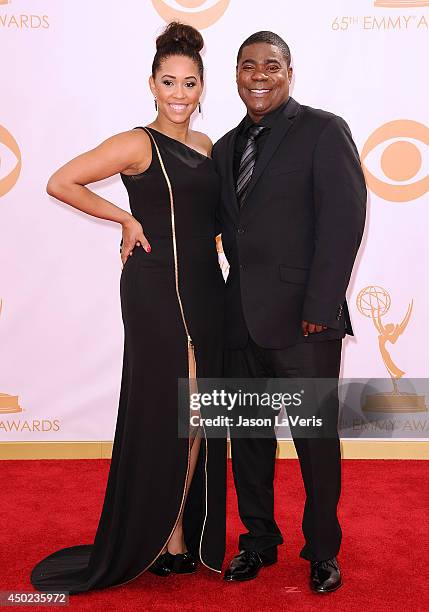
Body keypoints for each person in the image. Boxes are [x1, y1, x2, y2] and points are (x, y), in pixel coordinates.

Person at [30, 22, 226, 594]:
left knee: (199, 408)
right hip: (155, 286)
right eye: (169, 82)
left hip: (204, 286)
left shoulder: (206, 146)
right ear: (152, 84)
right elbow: (60, 181)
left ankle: (175, 532)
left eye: (189, 83)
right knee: (170, 404)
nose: (180, 94)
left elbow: (203, 221)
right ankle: (164, 537)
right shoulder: (138, 142)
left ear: (202, 87)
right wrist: (124, 218)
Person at [212, 31, 366, 593]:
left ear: (289, 71)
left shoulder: (324, 130)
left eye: (270, 65)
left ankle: (323, 549)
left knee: (315, 441)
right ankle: (258, 542)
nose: (259, 75)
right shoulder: (224, 146)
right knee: (248, 438)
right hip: (239, 322)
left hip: (306, 323)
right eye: (248, 66)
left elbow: (345, 222)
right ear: (236, 75)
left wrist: (321, 307)